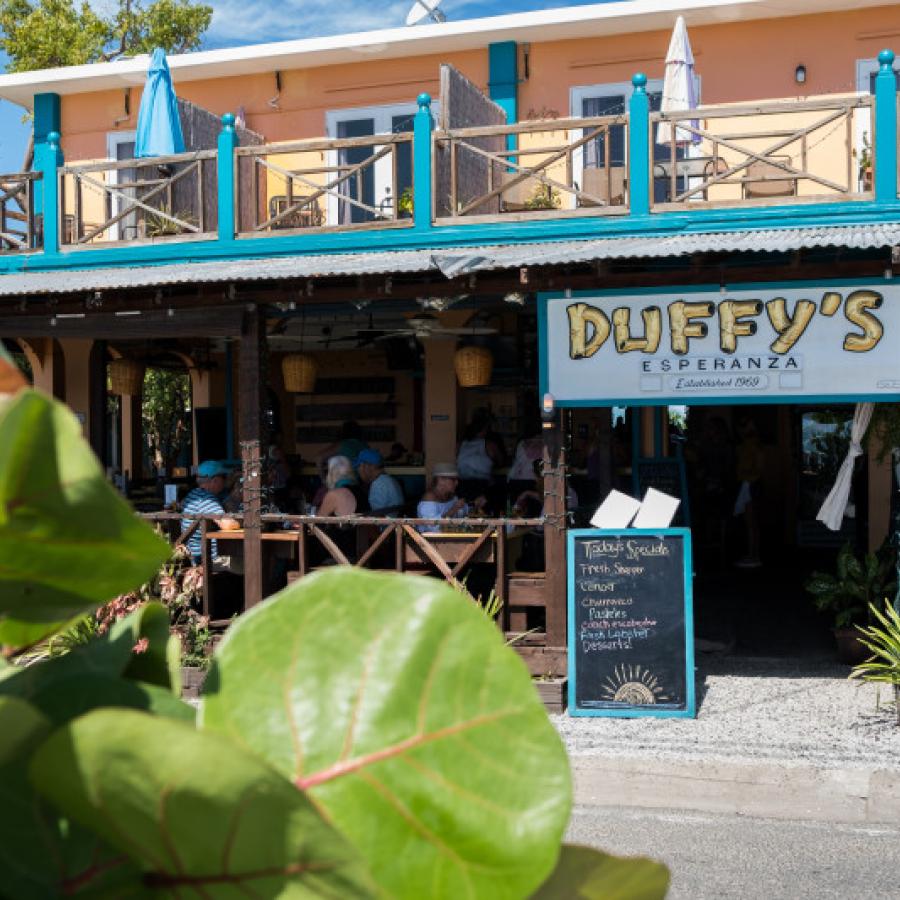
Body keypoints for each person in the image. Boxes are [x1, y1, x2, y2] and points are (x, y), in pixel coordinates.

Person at [181, 460, 241, 566]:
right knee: (254, 560)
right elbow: (227, 525)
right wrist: (245, 521)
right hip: (209, 559)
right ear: (215, 480)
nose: (226, 482)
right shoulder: (206, 500)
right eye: (224, 478)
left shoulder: (194, 494)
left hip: (199, 555)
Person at [733, 416, 765, 568]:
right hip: (748, 483)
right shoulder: (746, 445)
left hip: (751, 484)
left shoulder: (753, 446)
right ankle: (751, 554)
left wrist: (746, 476)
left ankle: (754, 556)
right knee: (750, 523)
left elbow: (758, 469)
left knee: (751, 523)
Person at [417, 463, 485, 529]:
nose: (457, 483)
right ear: (441, 480)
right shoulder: (428, 501)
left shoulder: (452, 497)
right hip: (431, 539)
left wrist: (475, 504)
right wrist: (454, 509)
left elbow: (463, 513)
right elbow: (433, 526)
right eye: (453, 479)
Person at [357, 448, 404, 514]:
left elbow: (376, 516)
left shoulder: (378, 484)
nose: (358, 471)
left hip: (386, 523)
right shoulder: (386, 480)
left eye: (359, 466)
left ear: (367, 467)